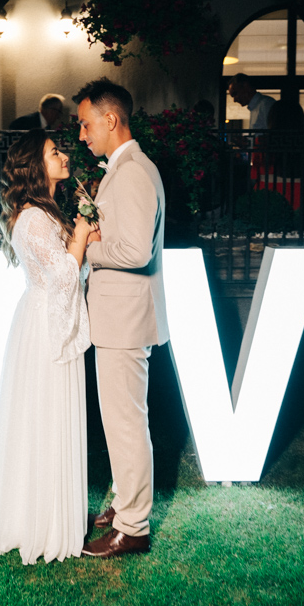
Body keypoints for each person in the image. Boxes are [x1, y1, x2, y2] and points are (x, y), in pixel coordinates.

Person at [0, 129, 96, 565]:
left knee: (49, 418)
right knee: (45, 418)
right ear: (36, 167)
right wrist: (82, 234)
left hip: (48, 319)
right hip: (45, 327)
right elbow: (62, 275)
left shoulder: (44, 212)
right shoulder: (33, 218)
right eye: (54, 152)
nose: (64, 156)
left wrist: (84, 235)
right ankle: (40, 522)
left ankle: (53, 514)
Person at [73, 78, 169, 559]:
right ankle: (123, 503)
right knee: (121, 423)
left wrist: (89, 246)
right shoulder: (125, 169)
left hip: (125, 320)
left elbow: (134, 252)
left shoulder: (132, 172)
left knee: (126, 424)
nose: (82, 135)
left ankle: (133, 527)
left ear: (111, 120)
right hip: (120, 317)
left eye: (86, 125)